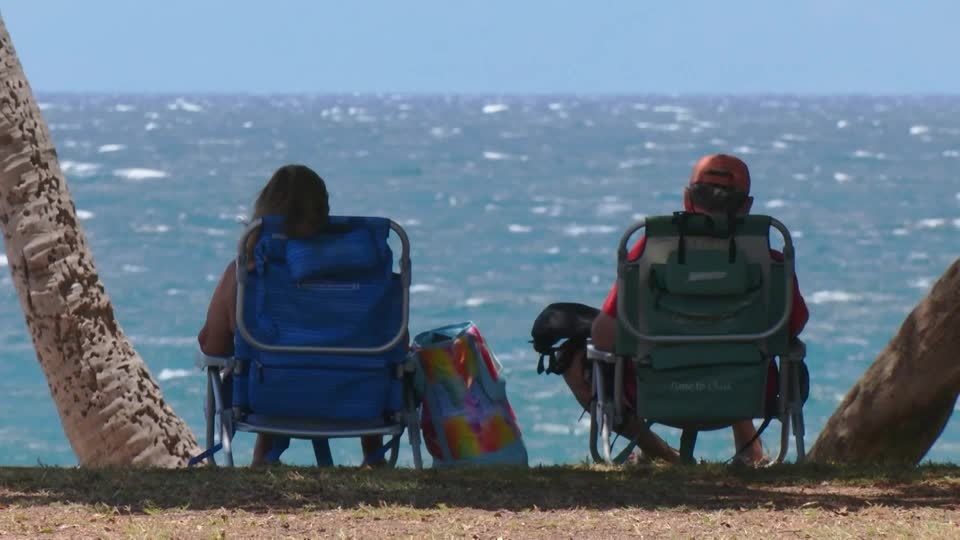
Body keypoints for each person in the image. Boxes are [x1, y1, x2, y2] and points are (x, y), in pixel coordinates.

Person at [563, 153, 809, 465]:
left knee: (573, 356)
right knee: (740, 346)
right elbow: (793, 326)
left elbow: (603, 336)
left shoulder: (648, 255)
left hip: (654, 393)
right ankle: (750, 450)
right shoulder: (770, 263)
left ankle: (663, 455)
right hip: (747, 393)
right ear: (746, 206)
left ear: (686, 197)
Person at [198, 164, 385, 466]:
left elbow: (212, 346)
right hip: (358, 399)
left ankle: (264, 458)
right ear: (325, 212)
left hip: (272, 398)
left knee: (265, 358)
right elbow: (389, 340)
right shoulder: (362, 275)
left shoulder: (244, 275)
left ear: (265, 209)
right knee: (365, 359)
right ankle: (373, 456)